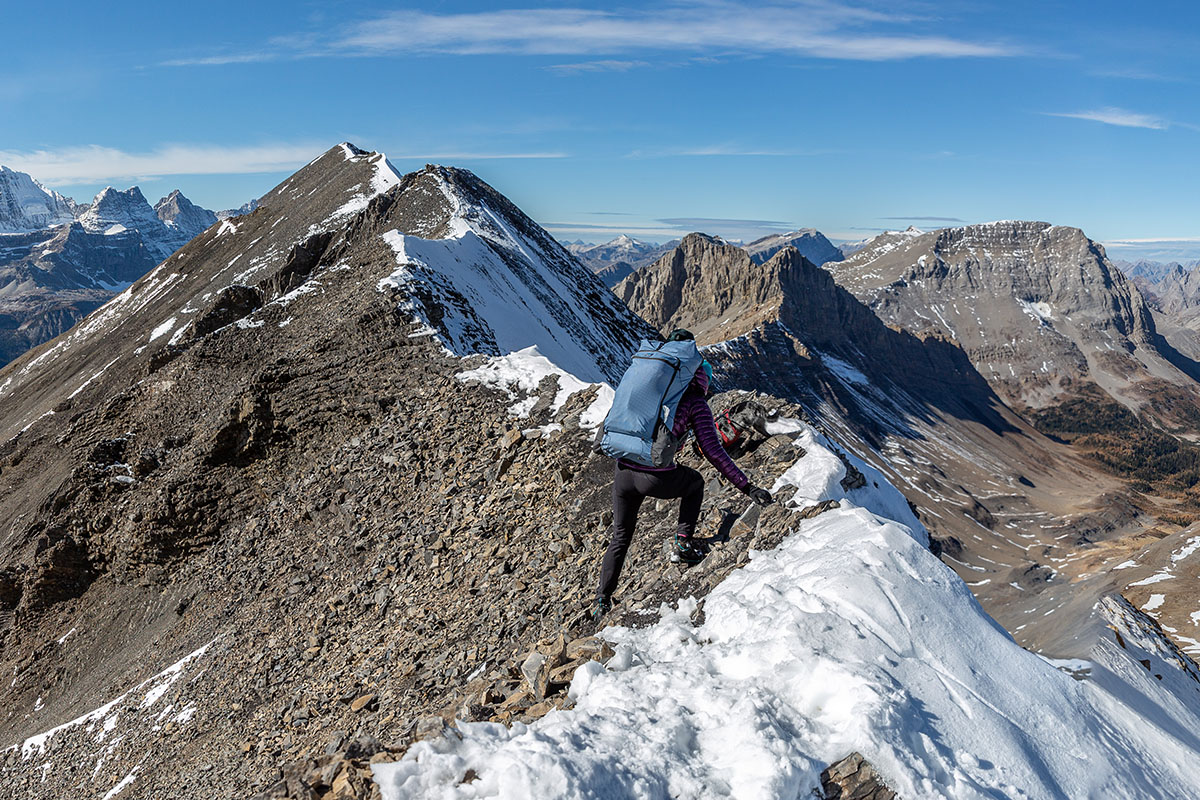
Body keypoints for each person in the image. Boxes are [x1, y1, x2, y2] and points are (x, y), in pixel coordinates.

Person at [594, 330, 773, 621]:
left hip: (624, 472)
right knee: (694, 483)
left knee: (621, 536)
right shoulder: (695, 403)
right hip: (655, 476)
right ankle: (682, 543)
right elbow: (713, 452)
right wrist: (748, 487)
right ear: (701, 379)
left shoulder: (651, 389)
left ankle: (601, 600)